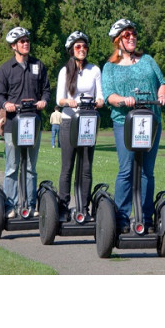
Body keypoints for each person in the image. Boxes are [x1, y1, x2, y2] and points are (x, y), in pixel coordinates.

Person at [102, 19, 165, 234]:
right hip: (125, 122)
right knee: (127, 169)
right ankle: (122, 218)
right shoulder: (110, 67)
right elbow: (109, 96)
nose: (132, 38)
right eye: (126, 35)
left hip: (151, 120)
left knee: (147, 171)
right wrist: (123, 99)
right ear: (117, 40)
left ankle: (146, 219)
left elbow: (163, 83)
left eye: (134, 34)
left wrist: (161, 94)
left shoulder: (147, 59)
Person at [0, 27, 50, 218]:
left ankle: (30, 204)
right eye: (21, 41)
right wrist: (6, 104)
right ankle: (10, 205)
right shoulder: (6, 69)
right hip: (13, 124)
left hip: (33, 123)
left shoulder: (38, 65)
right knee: (12, 166)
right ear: (13, 46)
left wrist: (44, 100)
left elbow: (46, 90)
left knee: (30, 167)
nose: (26, 43)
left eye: (27, 40)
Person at [56, 31, 104, 220]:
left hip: (88, 122)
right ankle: (62, 207)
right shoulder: (64, 71)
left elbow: (100, 95)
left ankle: (83, 207)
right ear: (71, 50)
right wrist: (70, 102)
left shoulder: (95, 70)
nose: (82, 49)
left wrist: (99, 101)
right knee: (67, 166)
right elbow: (59, 99)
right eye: (78, 46)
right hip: (69, 121)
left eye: (84, 46)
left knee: (85, 167)